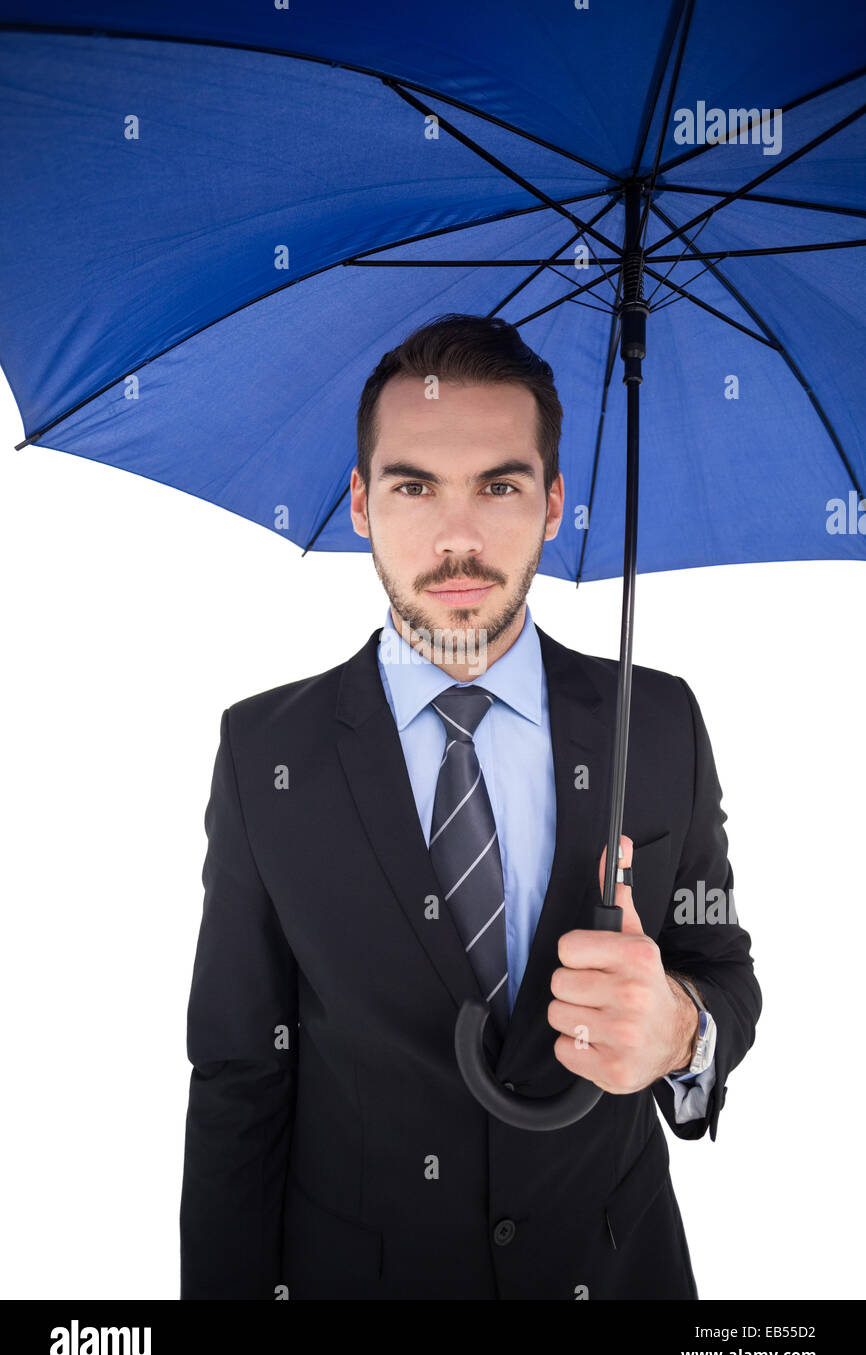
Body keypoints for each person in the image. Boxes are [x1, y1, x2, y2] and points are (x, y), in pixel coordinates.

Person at [179, 312, 761, 1300]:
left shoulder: (656, 719)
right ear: (361, 502)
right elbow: (239, 1078)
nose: (457, 537)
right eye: (413, 485)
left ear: (552, 504)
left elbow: (718, 969)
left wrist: (680, 1033)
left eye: (499, 484)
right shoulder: (264, 751)